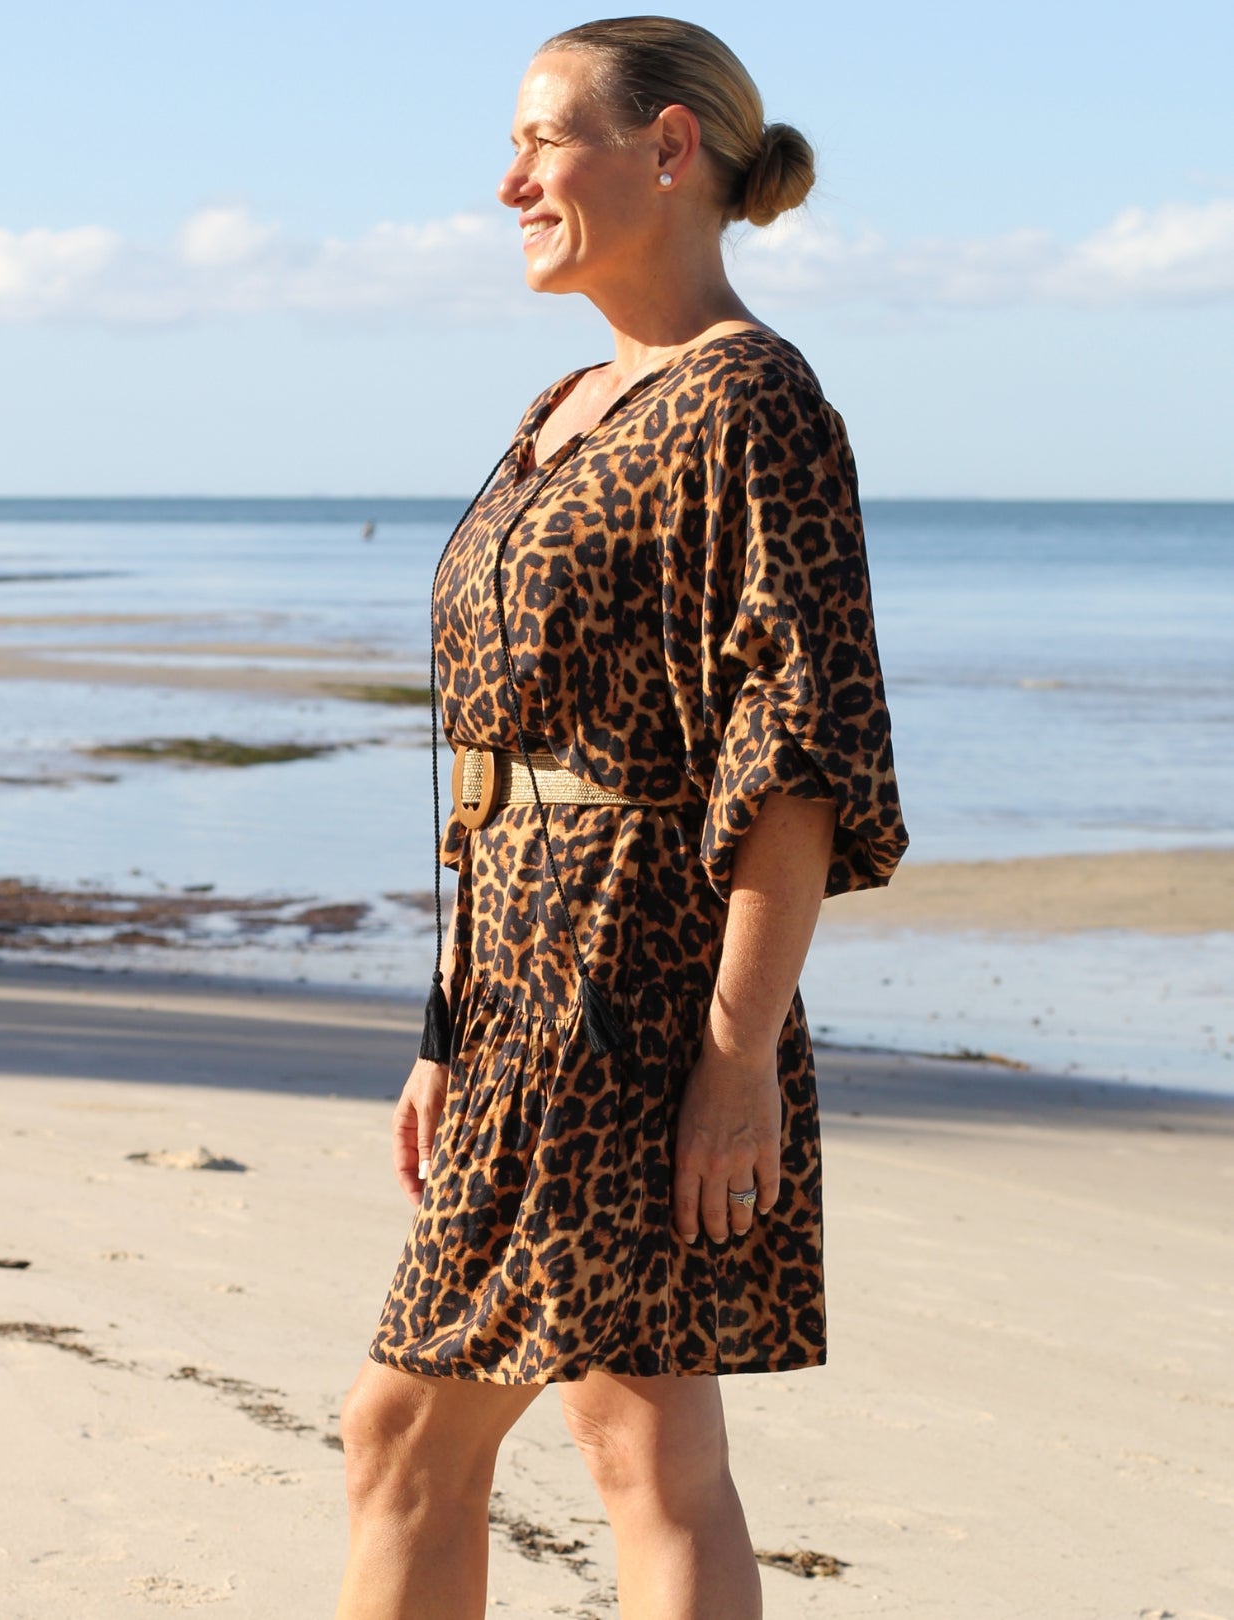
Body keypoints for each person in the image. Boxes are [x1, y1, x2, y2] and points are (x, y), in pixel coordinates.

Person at [335, 17, 907, 1619]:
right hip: (521, 981)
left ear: (668, 151)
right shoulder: (569, 402)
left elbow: (794, 758)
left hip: (630, 990)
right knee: (642, 1454)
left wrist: (734, 1057)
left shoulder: (752, 405)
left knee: (405, 1437)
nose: (508, 181)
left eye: (542, 142)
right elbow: (495, 758)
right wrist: (447, 1024)